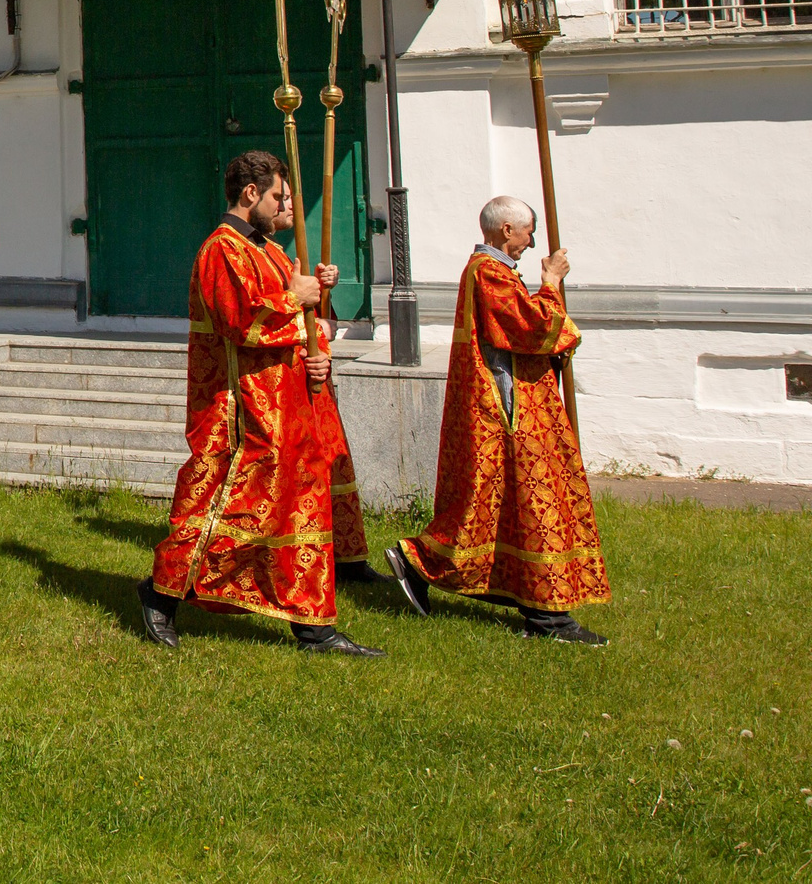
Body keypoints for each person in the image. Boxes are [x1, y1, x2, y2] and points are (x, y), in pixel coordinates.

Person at [137, 152, 380, 656]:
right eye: (277, 197)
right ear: (251, 193)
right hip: (238, 412)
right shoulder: (221, 250)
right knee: (219, 508)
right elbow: (243, 320)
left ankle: (313, 627)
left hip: (286, 406)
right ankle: (161, 594)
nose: (283, 206)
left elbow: (295, 327)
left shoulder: (268, 250)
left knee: (293, 514)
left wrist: (317, 352)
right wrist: (298, 300)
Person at [386, 197, 609, 644]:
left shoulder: (495, 272)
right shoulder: (489, 272)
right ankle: (548, 619)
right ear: (508, 230)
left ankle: (429, 567)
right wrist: (551, 284)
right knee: (531, 504)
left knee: (504, 509)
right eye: (528, 233)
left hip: (521, 406)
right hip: (510, 412)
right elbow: (531, 328)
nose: (531, 243)